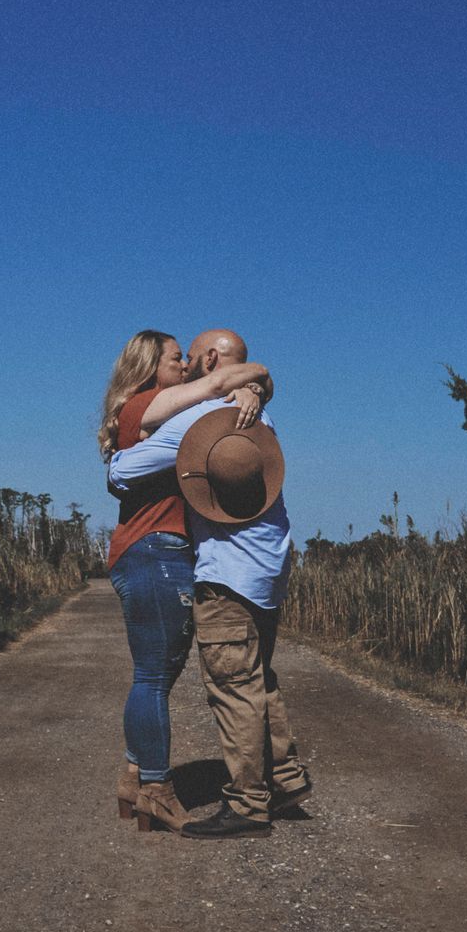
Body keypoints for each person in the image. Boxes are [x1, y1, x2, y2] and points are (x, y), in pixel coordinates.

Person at [108, 328, 310, 840]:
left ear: (212, 360)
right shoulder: (260, 416)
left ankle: (246, 804)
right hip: (269, 568)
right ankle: (285, 778)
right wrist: (254, 385)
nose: (186, 364)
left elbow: (122, 472)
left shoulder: (201, 418)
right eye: (177, 359)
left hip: (226, 572)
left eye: (190, 357)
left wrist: (234, 388)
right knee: (260, 675)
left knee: (232, 687)